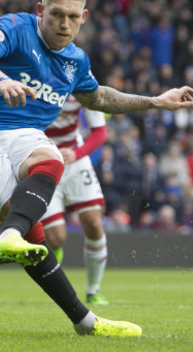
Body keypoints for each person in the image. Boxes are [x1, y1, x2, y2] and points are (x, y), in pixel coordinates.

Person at [0, 0, 193, 336]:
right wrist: (0, 79)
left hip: (24, 136)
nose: (65, 24)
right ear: (40, 10)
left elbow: (101, 99)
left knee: (52, 158)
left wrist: (156, 100)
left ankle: (19, 245)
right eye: (57, 14)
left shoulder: (76, 60)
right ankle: (84, 318)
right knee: (34, 239)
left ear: (85, 17)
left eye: (73, 17)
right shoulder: (15, 27)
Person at [40, 96, 110, 305]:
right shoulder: (34, 75)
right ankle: (54, 257)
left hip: (74, 159)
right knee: (56, 237)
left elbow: (100, 132)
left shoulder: (82, 80)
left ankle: (94, 290)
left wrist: (77, 153)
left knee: (94, 223)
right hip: (42, 159)